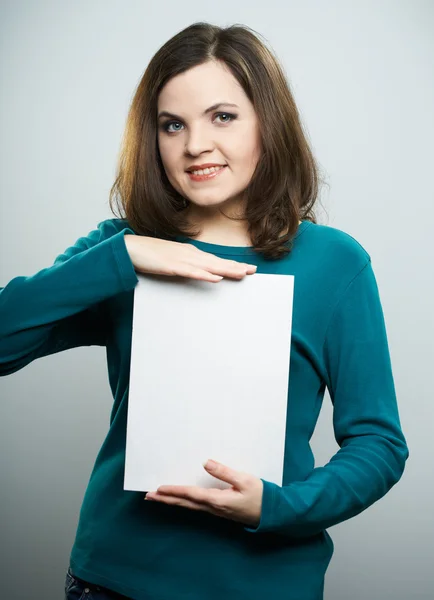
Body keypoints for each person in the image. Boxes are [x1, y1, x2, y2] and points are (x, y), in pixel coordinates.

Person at [0, 21, 409, 600]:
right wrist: (126, 255)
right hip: (113, 580)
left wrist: (279, 505)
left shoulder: (335, 264)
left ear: (268, 123)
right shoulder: (120, 248)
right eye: (173, 124)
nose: (195, 145)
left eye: (223, 116)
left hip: (265, 583)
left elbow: (379, 442)